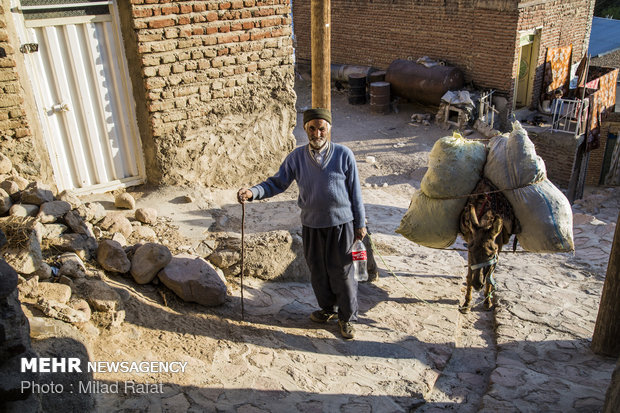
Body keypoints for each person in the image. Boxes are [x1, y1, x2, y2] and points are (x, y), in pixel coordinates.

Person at [237, 108, 367, 340]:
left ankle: (347, 318)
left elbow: (355, 192)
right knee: (318, 271)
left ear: (329, 129)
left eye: (321, 128)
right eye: (312, 128)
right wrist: (253, 192)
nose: (317, 133)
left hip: (342, 225)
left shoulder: (344, 154)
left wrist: (360, 223)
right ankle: (328, 309)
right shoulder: (296, 157)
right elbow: (276, 183)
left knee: (343, 273)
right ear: (305, 129)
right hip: (312, 225)